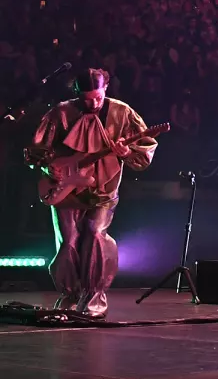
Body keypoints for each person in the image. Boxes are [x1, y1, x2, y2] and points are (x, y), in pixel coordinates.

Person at [27, 69, 157, 319]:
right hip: (66, 188)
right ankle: (70, 295)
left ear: (105, 88)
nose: (93, 103)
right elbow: (36, 149)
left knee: (96, 235)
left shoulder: (122, 112)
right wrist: (49, 165)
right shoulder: (60, 112)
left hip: (103, 188)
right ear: (77, 94)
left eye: (97, 97)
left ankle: (95, 297)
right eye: (87, 99)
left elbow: (145, 148)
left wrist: (126, 153)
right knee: (69, 241)